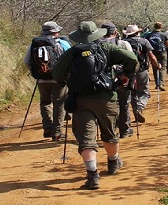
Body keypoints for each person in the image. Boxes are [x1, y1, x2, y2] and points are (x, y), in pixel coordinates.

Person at [51, 21, 138, 190]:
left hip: (80, 99)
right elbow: (132, 59)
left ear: (78, 37)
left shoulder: (72, 53)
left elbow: (57, 74)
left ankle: (92, 176)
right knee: (109, 133)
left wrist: (69, 81)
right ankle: (113, 163)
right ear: (97, 34)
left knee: (86, 139)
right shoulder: (107, 49)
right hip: (107, 98)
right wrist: (125, 76)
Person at [23, 21, 71, 140]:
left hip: (41, 79)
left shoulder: (34, 44)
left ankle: (47, 127)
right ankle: (57, 132)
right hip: (58, 79)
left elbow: (26, 62)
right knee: (59, 104)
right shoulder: (62, 43)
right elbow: (70, 60)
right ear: (55, 32)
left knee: (45, 102)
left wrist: (37, 73)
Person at [100, 22, 135, 138]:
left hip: (103, 80)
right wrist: (128, 76)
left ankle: (109, 131)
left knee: (107, 105)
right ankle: (124, 130)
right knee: (124, 104)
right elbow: (133, 61)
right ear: (115, 32)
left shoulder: (96, 45)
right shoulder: (123, 43)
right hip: (121, 79)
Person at [123, 24, 159, 124]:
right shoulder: (144, 41)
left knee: (133, 93)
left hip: (127, 72)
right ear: (137, 32)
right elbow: (151, 56)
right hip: (141, 70)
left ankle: (136, 111)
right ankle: (140, 107)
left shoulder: (123, 42)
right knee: (144, 92)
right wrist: (157, 65)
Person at [147, 22, 168, 90]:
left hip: (152, 53)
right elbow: (167, 45)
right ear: (161, 27)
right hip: (162, 53)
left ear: (154, 26)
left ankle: (157, 84)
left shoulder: (149, 35)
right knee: (162, 68)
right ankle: (161, 84)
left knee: (155, 68)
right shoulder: (164, 34)